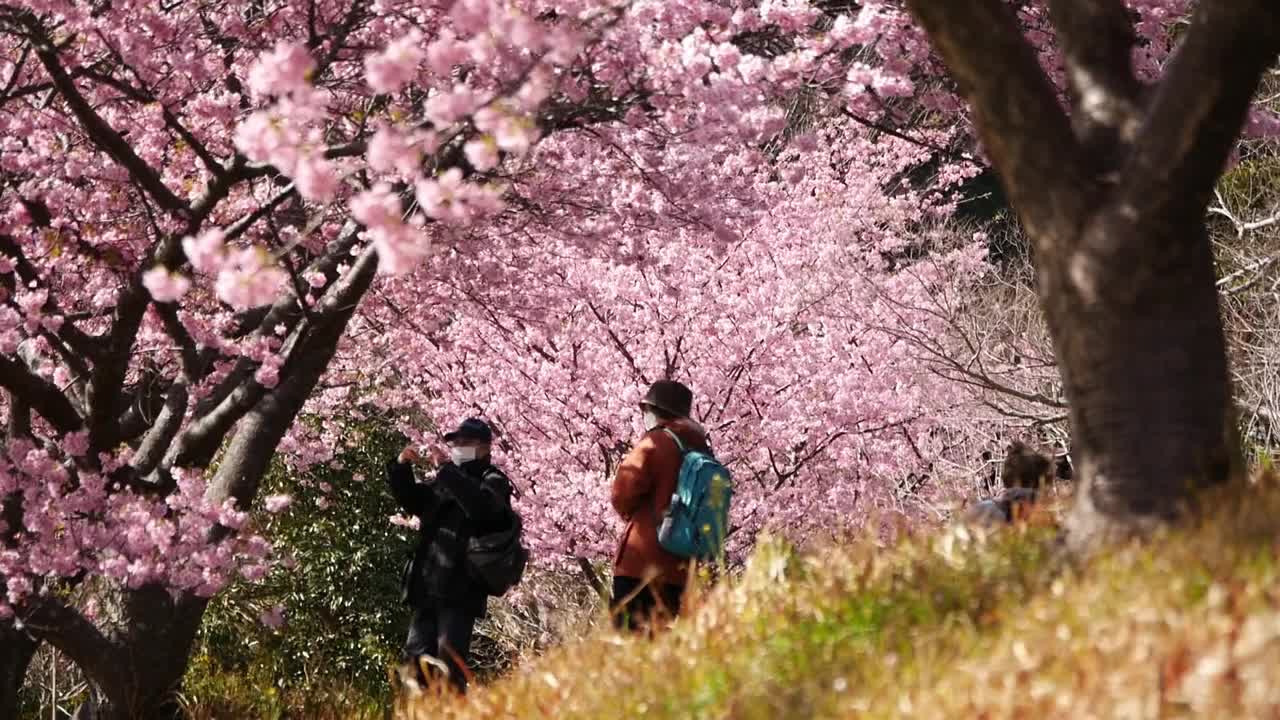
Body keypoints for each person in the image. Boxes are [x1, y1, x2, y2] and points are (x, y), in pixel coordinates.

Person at [385, 417, 514, 693]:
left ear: (483, 447)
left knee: (449, 666)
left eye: (464, 443)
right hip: (428, 585)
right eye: (454, 443)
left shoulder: (493, 481)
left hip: (461, 590)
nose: (457, 448)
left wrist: (446, 471)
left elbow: (482, 509)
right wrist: (401, 467)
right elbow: (415, 502)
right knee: (415, 663)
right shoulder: (447, 480)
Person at [610, 379, 709, 632]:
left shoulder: (655, 442)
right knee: (661, 644)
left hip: (641, 561)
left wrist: (630, 512)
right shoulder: (702, 448)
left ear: (655, 411)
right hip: (681, 565)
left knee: (629, 645)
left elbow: (622, 492)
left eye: (646, 410)